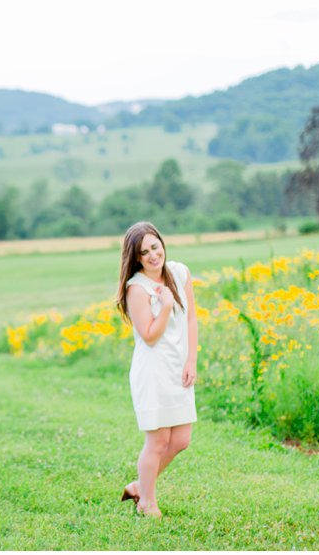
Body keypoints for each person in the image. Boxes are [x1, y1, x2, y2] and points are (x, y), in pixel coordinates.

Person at [115, 221, 198, 518]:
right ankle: (147, 502)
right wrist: (163, 306)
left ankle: (140, 486)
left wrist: (192, 361)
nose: (152, 255)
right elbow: (149, 335)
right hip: (153, 372)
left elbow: (190, 320)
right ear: (136, 258)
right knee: (159, 440)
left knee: (181, 440)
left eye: (155, 246)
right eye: (144, 252)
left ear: (162, 243)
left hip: (179, 366)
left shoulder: (180, 272)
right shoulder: (137, 288)